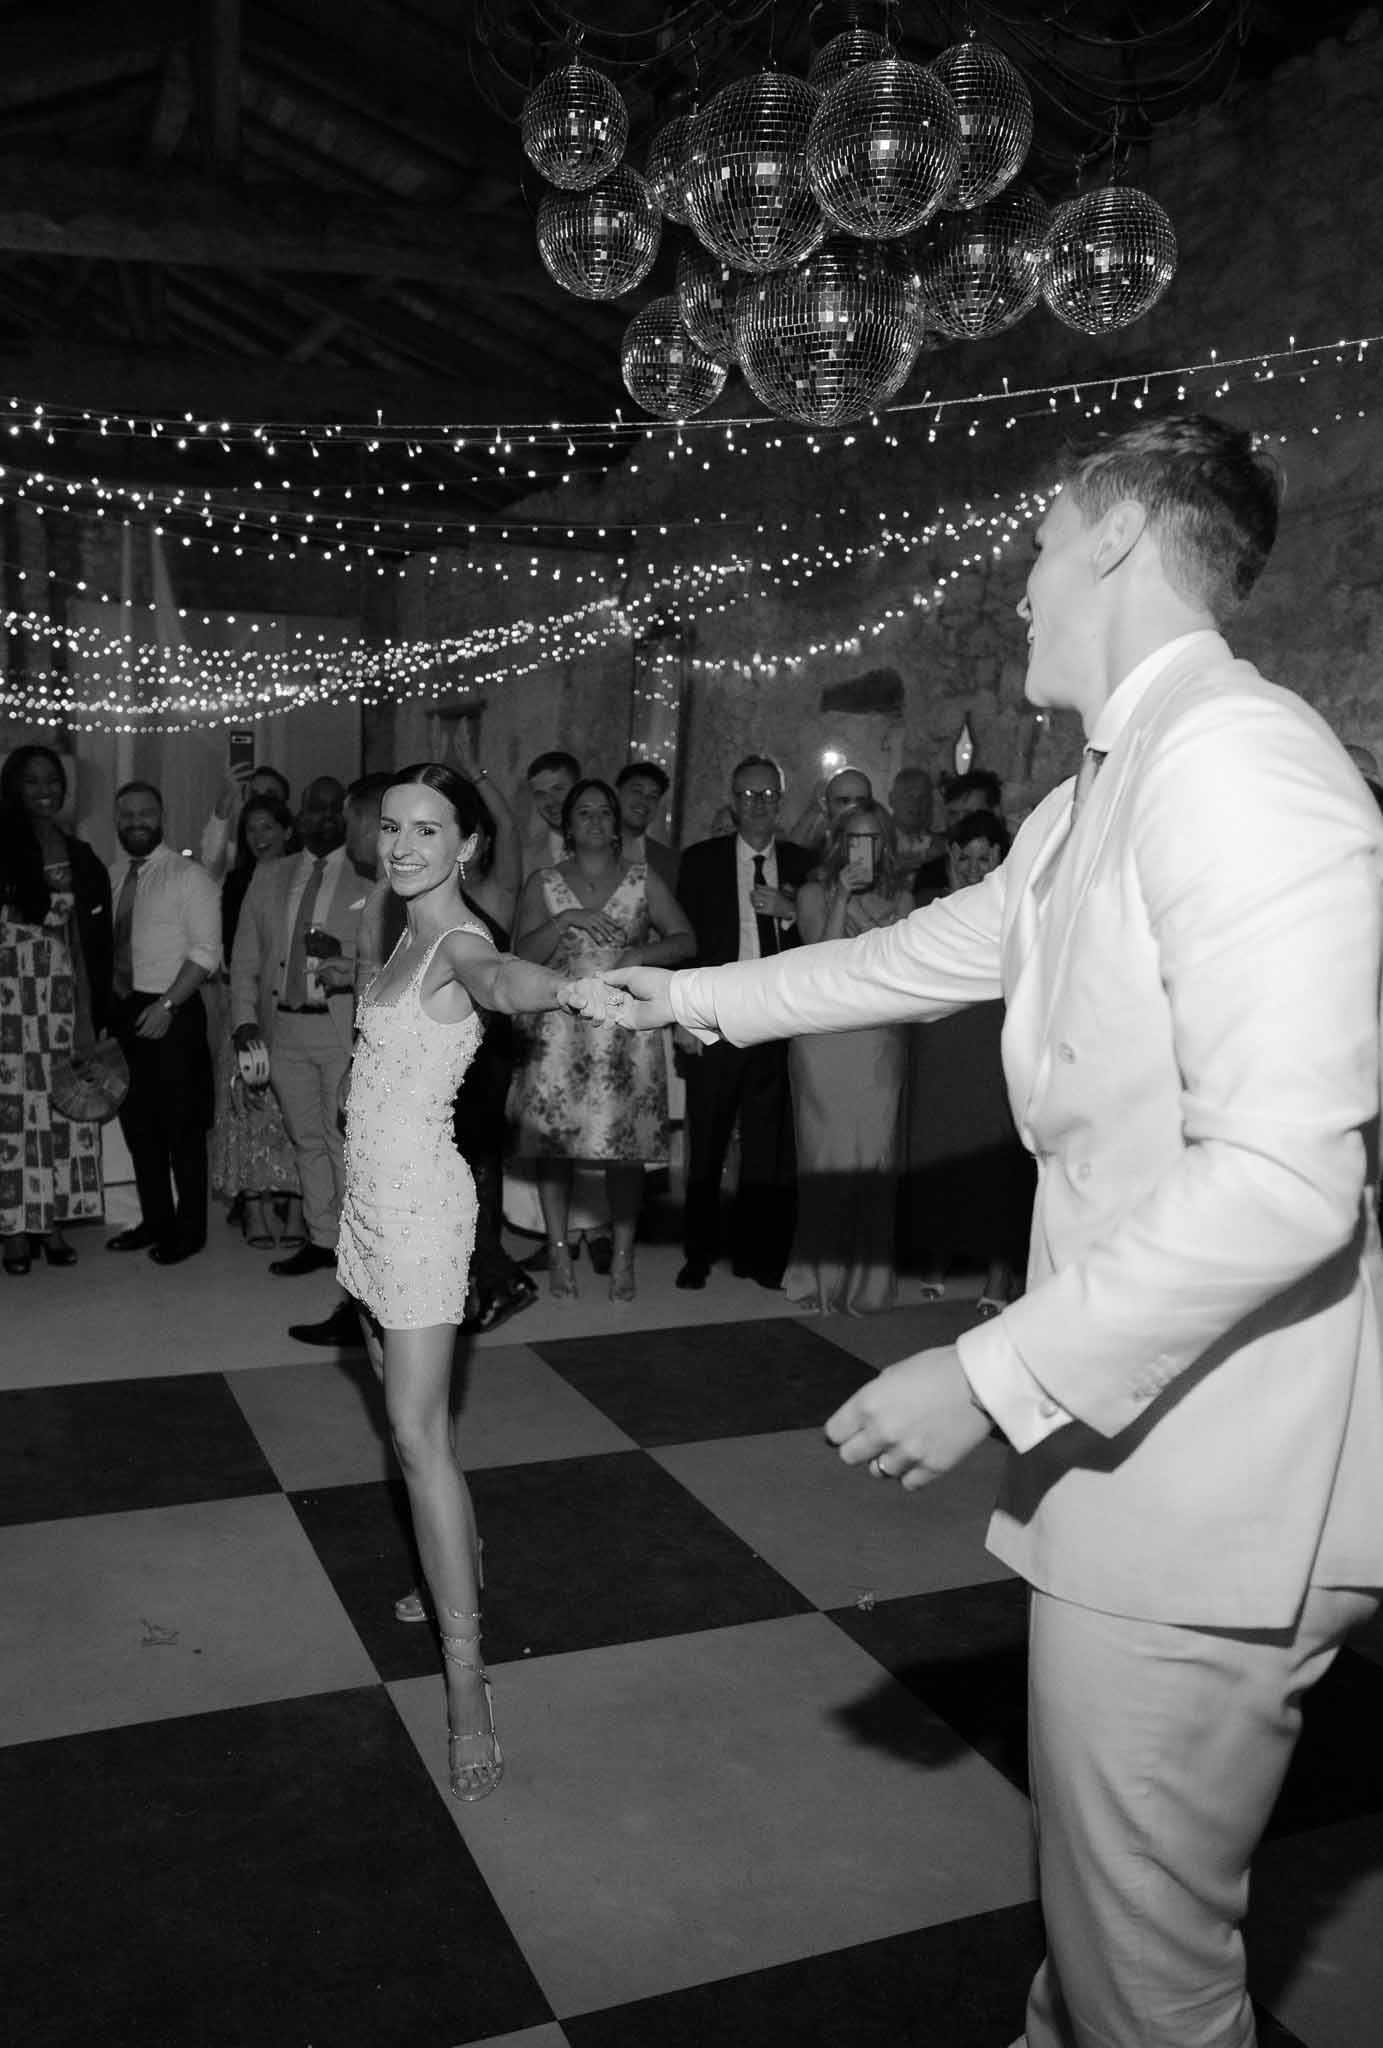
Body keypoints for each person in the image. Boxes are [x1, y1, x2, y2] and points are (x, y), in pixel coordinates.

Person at [597, 414, 1383, 2048]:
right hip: (1145, 1445)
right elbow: (918, 953)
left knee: (1145, 1985)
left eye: (1035, 541)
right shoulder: (1099, 789)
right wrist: (676, 995)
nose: (1019, 581)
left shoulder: (1238, 763)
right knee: (1094, 1940)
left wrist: (986, 1366)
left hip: (1215, 1476)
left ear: (1112, 533)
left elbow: (1285, 1177)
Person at [336, 760, 589, 1800]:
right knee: (416, 1418)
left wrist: (567, 988)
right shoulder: (394, 928)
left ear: (470, 844)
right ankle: (457, 1550)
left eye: (429, 829)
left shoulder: (457, 938)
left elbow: (501, 979)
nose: (404, 844)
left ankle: (467, 1682)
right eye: (393, 825)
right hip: (364, 1207)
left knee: (415, 1431)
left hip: (424, 1216)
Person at [509, 777, 693, 1301]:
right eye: (583, 812)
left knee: (626, 1151)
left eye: (604, 812)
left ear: (616, 825)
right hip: (559, 1031)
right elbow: (521, 954)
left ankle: (623, 1256)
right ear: (567, 825)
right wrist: (565, 920)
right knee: (554, 1150)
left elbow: (686, 938)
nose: (595, 820)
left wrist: (643, 955)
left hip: (624, 1033)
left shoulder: (642, 878)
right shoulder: (543, 882)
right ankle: (560, 1253)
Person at [671, 754, 812, 1291]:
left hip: (777, 1018)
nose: (759, 805)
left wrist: (792, 910)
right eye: (749, 796)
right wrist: (686, 1017)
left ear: (781, 801)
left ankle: (760, 1253)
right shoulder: (702, 860)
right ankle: (699, 1252)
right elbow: (687, 946)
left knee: (767, 1145)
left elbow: (824, 938)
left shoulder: (801, 863)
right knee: (706, 1138)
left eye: (768, 796)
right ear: (732, 802)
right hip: (717, 1014)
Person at [896, 810, 1036, 1314]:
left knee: (997, 1155)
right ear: (952, 859)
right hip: (942, 1042)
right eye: (966, 858)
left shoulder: (1024, 909)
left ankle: (999, 1274)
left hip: (997, 1039)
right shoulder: (935, 907)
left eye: (986, 858)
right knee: (941, 1144)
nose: (976, 868)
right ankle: (937, 1258)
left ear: (1002, 860)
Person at [782, 803, 913, 1316]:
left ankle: (865, 1284)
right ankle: (819, 1277)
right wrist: (841, 895)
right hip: (823, 1043)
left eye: (875, 839)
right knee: (824, 1159)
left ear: (886, 844)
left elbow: (902, 969)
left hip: (879, 1039)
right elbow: (820, 962)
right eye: (855, 839)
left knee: (874, 1158)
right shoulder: (814, 892)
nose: (866, 849)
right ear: (838, 844)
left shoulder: (902, 897)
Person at [230, 775, 364, 1276]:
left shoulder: (370, 876)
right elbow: (245, 958)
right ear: (299, 816)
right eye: (315, 808)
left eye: (336, 810)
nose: (325, 818)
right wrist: (244, 1022)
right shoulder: (269, 874)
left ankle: (359, 1242)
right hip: (282, 1026)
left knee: (342, 1136)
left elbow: (391, 955)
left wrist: (343, 955)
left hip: (340, 1025)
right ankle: (322, 1237)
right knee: (305, 1136)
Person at [0, 744, 112, 1274]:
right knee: (13, 1119)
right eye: (31, 781)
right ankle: (15, 1229)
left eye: (52, 781)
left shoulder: (80, 853)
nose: (44, 790)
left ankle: (52, 1222)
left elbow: (88, 942)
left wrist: (88, 1016)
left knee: (60, 1111)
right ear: (12, 787)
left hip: (62, 1004)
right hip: (7, 1007)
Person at [106, 781, 220, 1263]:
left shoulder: (189, 876)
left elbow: (206, 953)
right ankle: (154, 1221)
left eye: (145, 812)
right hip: (125, 1010)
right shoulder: (112, 876)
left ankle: (190, 1231)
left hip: (173, 1008)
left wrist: (168, 1005)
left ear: (161, 816)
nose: (136, 821)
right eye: (127, 814)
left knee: (182, 1129)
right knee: (139, 1126)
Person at [210, 793, 303, 1250]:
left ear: (288, 829)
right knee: (247, 1105)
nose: (261, 837)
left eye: (269, 827)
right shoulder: (239, 881)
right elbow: (236, 954)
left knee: (291, 1108)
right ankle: (255, 1204)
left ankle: (299, 1203)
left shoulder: (311, 875)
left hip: (294, 1009)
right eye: (252, 830)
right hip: (247, 1007)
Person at [200, 762, 292, 884]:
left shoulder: (302, 860)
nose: (261, 801)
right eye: (254, 795)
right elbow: (211, 866)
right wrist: (226, 798)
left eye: (270, 795)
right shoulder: (234, 854)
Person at [615, 760, 679, 891]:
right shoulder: (586, 846)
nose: (644, 801)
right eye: (637, 791)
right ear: (617, 793)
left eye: (653, 796)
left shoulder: (670, 861)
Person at [785, 764, 874, 857]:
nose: (852, 807)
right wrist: (813, 809)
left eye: (861, 801)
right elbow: (789, 857)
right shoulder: (818, 849)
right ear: (826, 805)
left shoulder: (881, 844)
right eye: (844, 801)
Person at [521, 748, 580, 879]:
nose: (550, 802)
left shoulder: (612, 847)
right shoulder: (525, 858)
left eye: (558, 789)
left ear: (579, 789)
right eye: (540, 794)